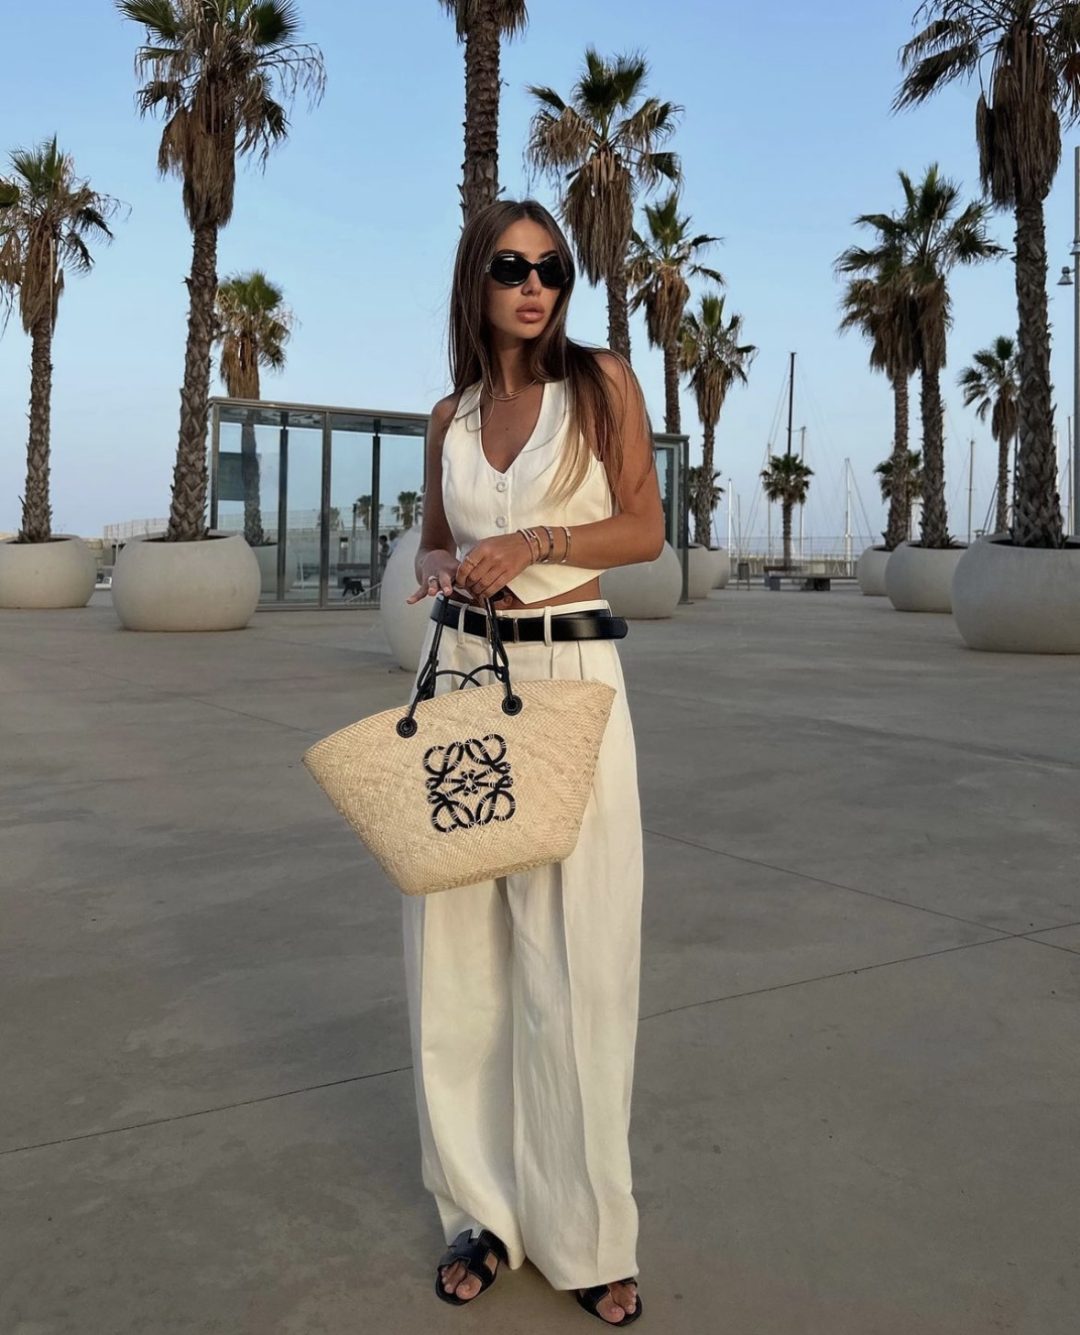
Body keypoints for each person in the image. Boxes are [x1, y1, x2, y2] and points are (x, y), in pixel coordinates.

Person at [404, 198, 664, 1326]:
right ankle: (483, 1212)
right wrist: (437, 561)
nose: (535, 284)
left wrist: (540, 542)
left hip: (572, 688)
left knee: (579, 967)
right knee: (456, 970)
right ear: (477, 278)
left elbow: (646, 530)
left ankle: (589, 1233)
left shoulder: (602, 385)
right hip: (465, 683)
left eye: (553, 267)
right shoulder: (449, 416)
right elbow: (433, 532)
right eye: (512, 265)